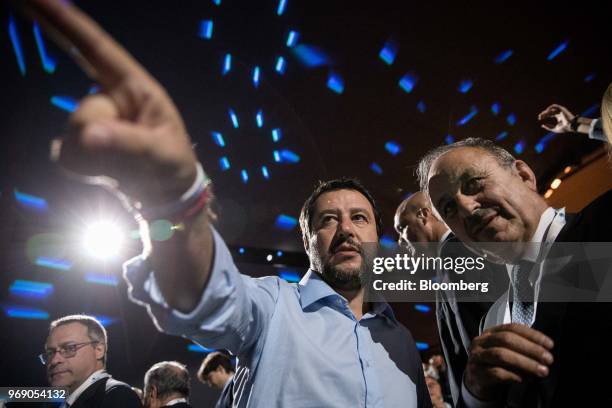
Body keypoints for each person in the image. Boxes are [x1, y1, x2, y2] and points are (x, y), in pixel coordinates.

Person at [17, 1, 432, 406]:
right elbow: (208, 298)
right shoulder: (272, 308)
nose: (345, 230)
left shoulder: (401, 343)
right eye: (328, 220)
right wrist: (172, 199)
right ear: (308, 242)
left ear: (378, 235)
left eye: (359, 218)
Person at [417, 137, 612, 407]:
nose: (467, 208)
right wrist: (476, 393)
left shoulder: (604, 226)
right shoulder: (492, 322)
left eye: (473, 183)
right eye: (449, 208)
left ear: (523, 175)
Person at [394, 193, 501, 405]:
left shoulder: (455, 255)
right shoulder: (452, 257)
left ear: (424, 215)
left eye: (402, 229)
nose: (400, 241)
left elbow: (481, 333)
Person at [41, 314, 141, 408]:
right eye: (50, 352)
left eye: (69, 348)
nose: (54, 360)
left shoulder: (117, 396)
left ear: (99, 350)